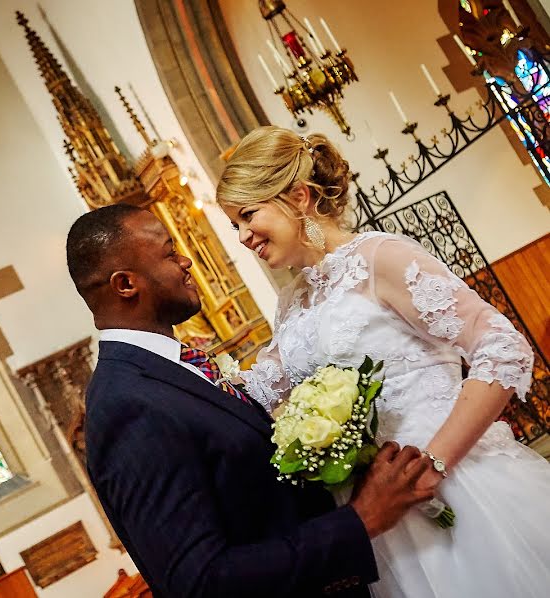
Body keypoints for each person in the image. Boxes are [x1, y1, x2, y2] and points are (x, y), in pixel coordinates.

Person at [217, 125, 550, 598]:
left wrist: (434, 463)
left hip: (460, 490)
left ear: (299, 197)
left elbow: (503, 347)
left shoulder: (381, 258)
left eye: (248, 215)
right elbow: (258, 393)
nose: (243, 236)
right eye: (234, 225)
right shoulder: (293, 302)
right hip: (383, 524)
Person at [66, 204, 435, 598]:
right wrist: (360, 521)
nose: (186, 261)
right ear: (126, 285)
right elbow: (201, 582)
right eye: (170, 252)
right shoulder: (127, 404)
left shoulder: (168, 372)